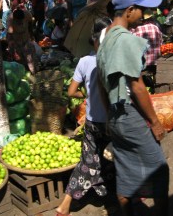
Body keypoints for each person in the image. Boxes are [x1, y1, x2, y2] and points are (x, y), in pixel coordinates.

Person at [96, 0, 169, 216]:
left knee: (126, 166)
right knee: (159, 168)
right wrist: (155, 122)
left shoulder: (106, 36)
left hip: (116, 115)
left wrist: (108, 114)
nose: (144, 14)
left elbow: (100, 82)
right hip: (128, 112)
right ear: (129, 11)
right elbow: (136, 85)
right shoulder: (125, 39)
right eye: (141, 10)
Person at [55, 18, 114, 216]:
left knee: (88, 161)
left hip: (91, 121)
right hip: (110, 121)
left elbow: (71, 92)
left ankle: (65, 205)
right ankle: (118, 200)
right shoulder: (111, 60)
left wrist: (87, 94)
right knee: (116, 158)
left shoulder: (83, 61)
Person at [7, 8, 38, 74]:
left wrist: (32, 35)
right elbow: (10, 37)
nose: (20, 22)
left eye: (21, 20)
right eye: (18, 21)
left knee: (31, 58)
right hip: (16, 41)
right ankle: (25, 73)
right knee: (21, 60)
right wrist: (14, 50)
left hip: (26, 39)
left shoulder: (27, 14)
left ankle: (34, 72)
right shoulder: (10, 20)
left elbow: (30, 24)